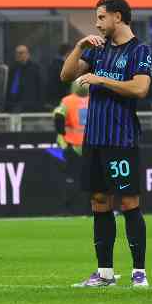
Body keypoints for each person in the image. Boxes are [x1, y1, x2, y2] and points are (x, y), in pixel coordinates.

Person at [59, 0, 152, 288]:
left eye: (101, 18)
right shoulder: (97, 51)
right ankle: (105, 273)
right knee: (99, 201)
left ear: (118, 17)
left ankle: (139, 272)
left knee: (128, 202)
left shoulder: (140, 50)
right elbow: (66, 76)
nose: (97, 24)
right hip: (95, 140)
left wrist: (102, 80)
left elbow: (140, 88)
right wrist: (79, 47)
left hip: (121, 139)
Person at [53, 79, 89, 215]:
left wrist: (62, 133)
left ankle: (68, 209)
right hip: (90, 146)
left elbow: (58, 117)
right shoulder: (95, 100)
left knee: (71, 179)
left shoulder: (68, 101)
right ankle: (89, 210)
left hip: (73, 146)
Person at [4, 45, 44, 112]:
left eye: (21, 53)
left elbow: (40, 88)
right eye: (16, 53)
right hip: (13, 105)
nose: (18, 55)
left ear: (28, 54)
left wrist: (39, 105)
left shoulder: (35, 69)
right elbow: (9, 87)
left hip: (30, 107)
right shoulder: (12, 69)